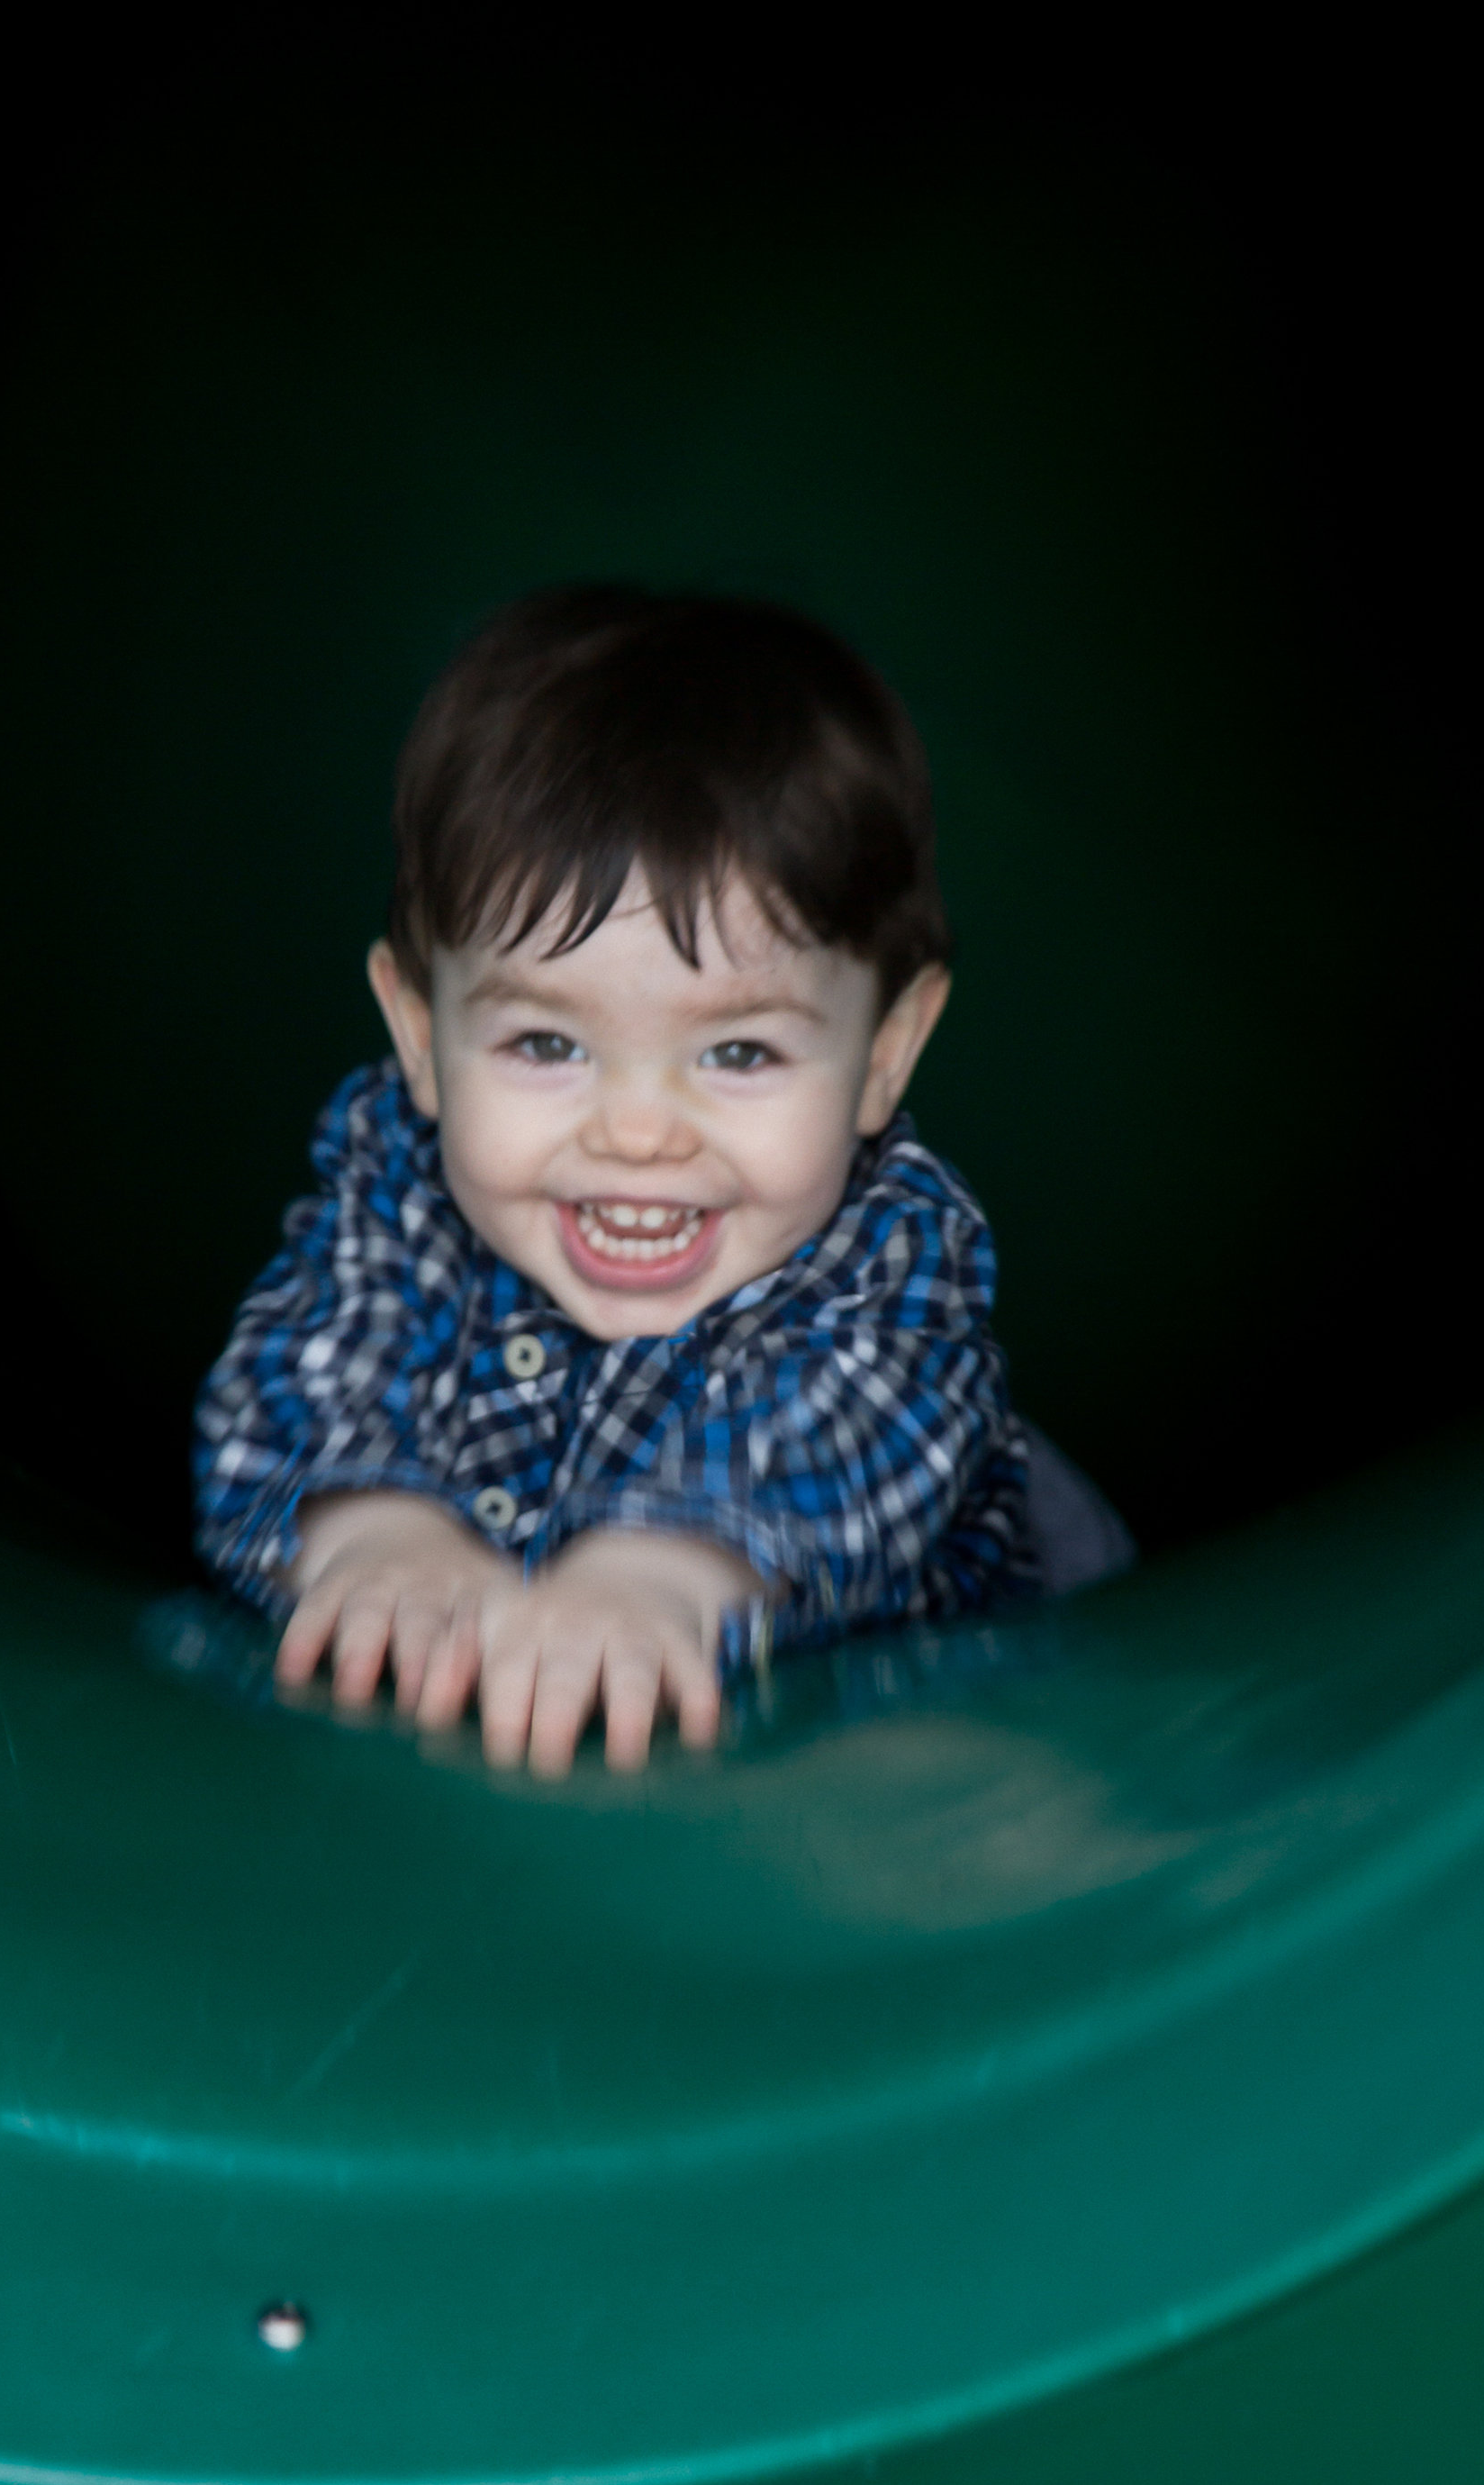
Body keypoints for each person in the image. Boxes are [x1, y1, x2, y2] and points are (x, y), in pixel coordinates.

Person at [195, 586, 1124, 1775]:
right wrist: (375, 1536)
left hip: (944, 1670)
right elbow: (306, 1368)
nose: (638, 1133)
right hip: (566, 1734)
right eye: (546, 1044)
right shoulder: (403, 1187)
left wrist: (663, 1579)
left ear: (884, 1051)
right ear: (421, 1038)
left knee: (1015, 1808)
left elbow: (846, 1433)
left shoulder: (891, 1247)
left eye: (738, 1052)